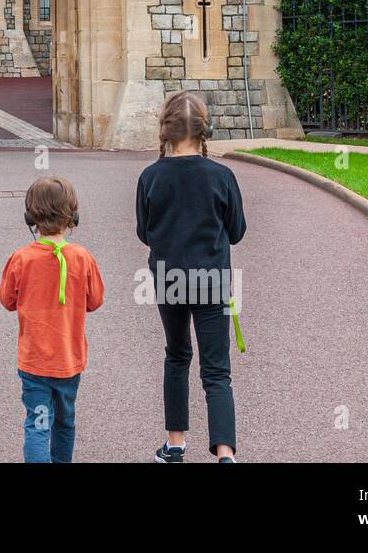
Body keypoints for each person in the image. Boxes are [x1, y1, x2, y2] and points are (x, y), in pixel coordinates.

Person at [135, 90, 246, 463]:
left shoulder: (150, 176)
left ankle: (176, 443)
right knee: (216, 370)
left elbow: (144, 232)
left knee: (177, 356)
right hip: (211, 278)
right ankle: (225, 453)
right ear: (204, 131)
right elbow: (237, 231)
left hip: (169, 277)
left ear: (166, 131)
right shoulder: (222, 175)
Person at [0, 176, 104, 463]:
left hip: (34, 363)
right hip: (69, 363)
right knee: (65, 423)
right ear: (73, 216)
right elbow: (95, 301)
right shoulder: (82, 257)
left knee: (38, 424)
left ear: (30, 217)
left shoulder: (21, 258)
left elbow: (7, 300)